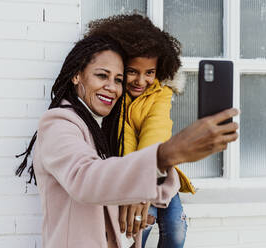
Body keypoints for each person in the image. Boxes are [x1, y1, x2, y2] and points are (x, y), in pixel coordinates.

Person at [16, 34, 239, 248]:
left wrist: (145, 198)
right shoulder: (58, 123)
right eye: (102, 76)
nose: (112, 87)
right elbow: (85, 179)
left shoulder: (103, 126)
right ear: (77, 75)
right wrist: (166, 153)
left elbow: (140, 188)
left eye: (119, 80)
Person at [85, 14, 193, 247]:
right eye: (133, 71)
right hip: (130, 175)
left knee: (176, 230)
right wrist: (136, 188)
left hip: (159, 172)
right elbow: (126, 142)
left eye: (149, 73)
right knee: (136, 229)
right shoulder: (114, 98)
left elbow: (156, 132)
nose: (140, 81)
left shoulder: (160, 94)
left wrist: (144, 182)